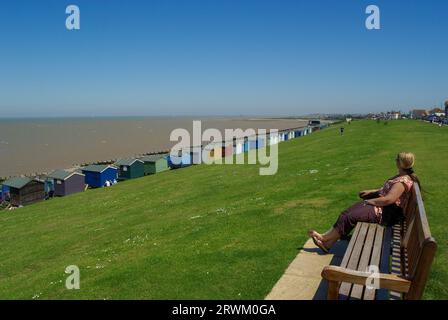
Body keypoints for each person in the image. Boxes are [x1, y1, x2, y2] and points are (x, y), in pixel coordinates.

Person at [308, 152, 419, 253]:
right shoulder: (400, 176)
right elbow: (385, 190)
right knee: (346, 213)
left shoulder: (402, 181)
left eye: (397, 159)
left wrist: (370, 201)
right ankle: (328, 242)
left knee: (350, 217)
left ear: (400, 163)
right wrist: (371, 191)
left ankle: (325, 239)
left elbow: (388, 199)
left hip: (384, 213)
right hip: (382, 208)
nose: (395, 160)